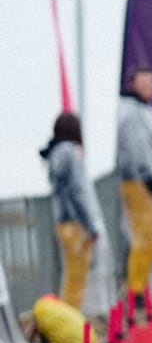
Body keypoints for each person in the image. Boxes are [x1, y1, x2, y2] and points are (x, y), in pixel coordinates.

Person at [41, 112, 104, 310]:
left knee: (69, 276)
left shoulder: (55, 154)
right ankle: (70, 321)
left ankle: (66, 318)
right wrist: (91, 226)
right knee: (76, 279)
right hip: (76, 223)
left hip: (62, 222)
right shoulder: (70, 153)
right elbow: (78, 193)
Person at [116, 65, 152, 304]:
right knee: (143, 236)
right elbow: (138, 150)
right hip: (138, 182)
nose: (150, 88)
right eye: (145, 83)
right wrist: (151, 180)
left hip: (141, 181)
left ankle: (139, 286)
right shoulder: (133, 112)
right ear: (134, 84)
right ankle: (134, 289)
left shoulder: (143, 110)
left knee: (148, 236)